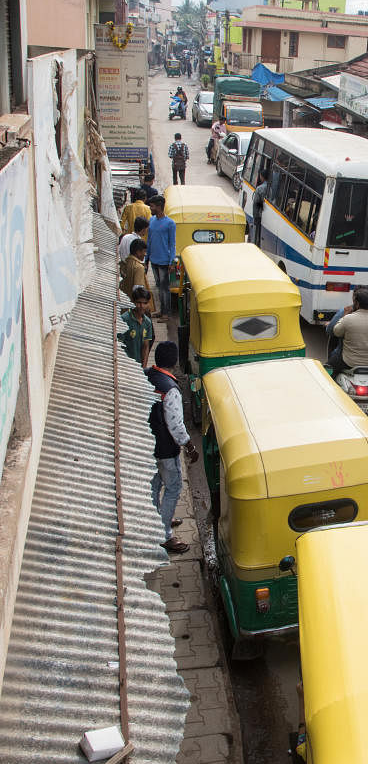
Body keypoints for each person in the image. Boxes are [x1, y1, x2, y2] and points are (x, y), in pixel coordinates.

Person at [145, 341, 199, 553]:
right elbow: (175, 424)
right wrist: (188, 445)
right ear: (174, 361)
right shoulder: (171, 389)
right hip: (166, 448)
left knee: (155, 485)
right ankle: (164, 534)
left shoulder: (147, 375)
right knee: (173, 487)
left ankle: (156, 521)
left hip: (148, 445)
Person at [327, 288, 368, 390]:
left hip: (348, 361)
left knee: (327, 370)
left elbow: (336, 332)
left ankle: (328, 392)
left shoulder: (348, 318)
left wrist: (345, 314)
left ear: (357, 304)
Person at [145, 195, 176, 321]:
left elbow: (172, 244)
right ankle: (161, 310)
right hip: (154, 259)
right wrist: (146, 258)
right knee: (159, 286)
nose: (150, 208)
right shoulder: (152, 220)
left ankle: (166, 314)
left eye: (152, 206)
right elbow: (149, 240)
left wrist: (171, 262)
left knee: (165, 289)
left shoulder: (170, 223)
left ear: (159, 207)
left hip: (164, 261)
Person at [118, 285, 154, 369]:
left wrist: (144, 367)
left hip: (138, 367)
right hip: (125, 366)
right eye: (139, 303)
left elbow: (146, 346)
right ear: (133, 302)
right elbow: (119, 346)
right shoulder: (124, 319)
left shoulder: (147, 322)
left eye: (145, 303)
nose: (142, 306)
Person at [251, 167, 270, 246]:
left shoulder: (259, 189)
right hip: (268, 214)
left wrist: (255, 216)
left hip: (259, 215)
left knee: (257, 234)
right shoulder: (270, 188)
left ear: (262, 177)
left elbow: (256, 204)